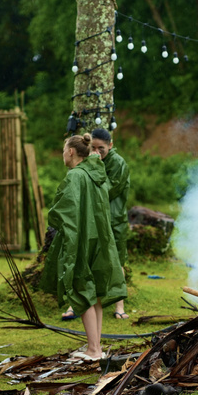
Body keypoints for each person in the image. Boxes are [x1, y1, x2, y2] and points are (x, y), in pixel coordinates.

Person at [40, 133, 127, 361]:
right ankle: (96, 347)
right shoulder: (98, 174)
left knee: (82, 290)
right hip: (99, 239)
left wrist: (54, 219)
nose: (62, 156)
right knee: (95, 294)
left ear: (70, 151)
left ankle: (93, 350)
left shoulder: (76, 176)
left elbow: (62, 211)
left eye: (63, 151)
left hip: (81, 240)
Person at [62, 128, 131, 321]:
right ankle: (76, 303)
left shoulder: (118, 164)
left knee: (117, 259)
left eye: (101, 148)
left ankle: (119, 305)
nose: (97, 152)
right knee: (87, 259)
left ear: (110, 145)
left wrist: (95, 165)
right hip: (93, 220)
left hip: (114, 220)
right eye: (93, 148)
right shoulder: (88, 163)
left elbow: (106, 190)